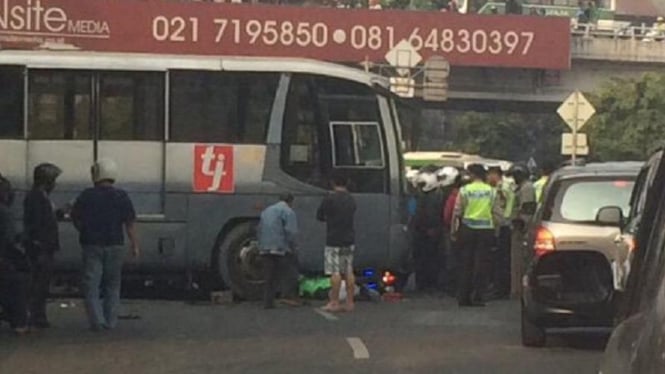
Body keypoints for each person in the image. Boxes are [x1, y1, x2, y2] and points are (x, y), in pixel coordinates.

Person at [71, 159, 139, 331]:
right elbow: (129, 223)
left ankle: (97, 321)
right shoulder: (121, 196)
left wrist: (83, 230)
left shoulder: (86, 195)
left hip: (91, 244)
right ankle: (111, 322)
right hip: (116, 244)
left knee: (92, 285)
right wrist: (134, 244)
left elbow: (75, 218)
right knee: (113, 285)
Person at [451, 164, 500, 307]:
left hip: (467, 230)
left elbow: (457, 212)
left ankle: (463, 297)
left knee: (466, 264)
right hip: (485, 230)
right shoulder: (491, 191)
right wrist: (496, 232)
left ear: (472, 175)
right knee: (482, 265)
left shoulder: (465, 190)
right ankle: (478, 297)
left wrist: (454, 231)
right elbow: (496, 214)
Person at [23, 163, 62, 328]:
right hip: (41, 249)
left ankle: (38, 315)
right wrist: (39, 246)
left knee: (42, 284)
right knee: (38, 284)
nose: (55, 184)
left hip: (45, 247)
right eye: (53, 180)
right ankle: (35, 316)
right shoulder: (36, 198)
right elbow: (37, 224)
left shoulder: (42, 197)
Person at [317, 172, 357, 313]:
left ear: (333, 183)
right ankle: (350, 302)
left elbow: (320, 216)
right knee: (348, 271)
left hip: (333, 239)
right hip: (349, 238)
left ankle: (334, 302)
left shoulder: (329, 199)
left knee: (335, 272)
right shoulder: (351, 199)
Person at [258, 193, 301, 309]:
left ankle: (268, 301)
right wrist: (294, 248)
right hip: (280, 247)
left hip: (264, 247)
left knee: (269, 276)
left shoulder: (266, 211)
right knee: (290, 272)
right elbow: (291, 232)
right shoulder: (288, 212)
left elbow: (260, 229)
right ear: (291, 201)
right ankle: (288, 296)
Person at [0, 175, 30, 335]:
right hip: (3, 259)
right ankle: (19, 323)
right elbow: (9, 239)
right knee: (16, 287)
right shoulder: (5, 213)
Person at [412, 170, 444, 292]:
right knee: (429, 258)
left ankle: (425, 284)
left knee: (426, 258)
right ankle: (428, 284)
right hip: (427, 231)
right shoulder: (436, 196)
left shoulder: (424, 197)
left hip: (425, 231)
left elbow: (423, 215)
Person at [508, 164, 536, 298]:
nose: (513, 178)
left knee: (520, 261)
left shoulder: (527, 188)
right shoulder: (522, 187)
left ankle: (519, 290)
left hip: (522, 228)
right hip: (517, 226)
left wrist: (521, 224)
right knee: (516, 262)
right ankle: (516, 289)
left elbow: (528, 208)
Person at [487, 167, 514, 299]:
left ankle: (500, 289)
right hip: (503, 224)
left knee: (500, 260)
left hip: (502, 226)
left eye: (489, 175)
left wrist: (504, 220)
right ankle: (500, 287)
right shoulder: (505, 187)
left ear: (494, 175)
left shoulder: (501, 189)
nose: (487, 178)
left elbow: (502, 207)